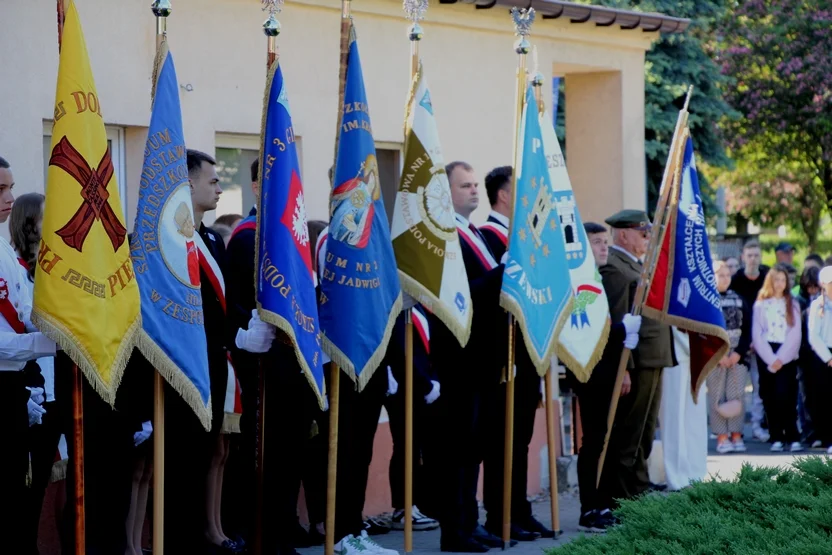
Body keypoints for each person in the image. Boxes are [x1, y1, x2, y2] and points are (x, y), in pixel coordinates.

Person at [225, 157, 317, 555]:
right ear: (258, 187)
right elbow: (235, 304)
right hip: (262, 364)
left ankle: (282, 527)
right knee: (267, 454)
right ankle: (263, 534)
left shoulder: (291, 236)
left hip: (293, 363)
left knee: (291, 452)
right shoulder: (248, 237)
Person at [434, 161, 506, 553]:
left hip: (481, 356)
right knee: (458, 448)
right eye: (465, 186)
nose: (475, 191)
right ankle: (454, 531)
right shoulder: (447, 237)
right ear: (446, 193)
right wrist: (502, 273)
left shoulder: (472, 231)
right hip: (457, 356)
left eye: (476, 184)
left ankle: (470, 521)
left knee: (474, 446)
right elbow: (460, 292)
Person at [478, 165, 552, 541]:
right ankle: (500, 514)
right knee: (501, 440)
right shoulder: (487, 238)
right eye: (519, 192)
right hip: (500, 356)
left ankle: (519, 509)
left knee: (520, 439)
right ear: (504, 196)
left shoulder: (523, 238)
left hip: (526, 352)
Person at [0, 159, 59, 554]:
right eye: (1, 189)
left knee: (17, 496)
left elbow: (22, 317)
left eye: (11, 187)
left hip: (14, 388)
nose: (10, 197)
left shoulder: (4, 254)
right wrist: (49, 344)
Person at [598, 209, 675, 508]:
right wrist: (625, 369)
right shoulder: (615, 268)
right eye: (642, 233)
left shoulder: (633, 264)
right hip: (638, 361)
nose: (647, 238)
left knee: (645, 428)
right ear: (623, 234)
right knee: (631, 429)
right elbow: (619, 320)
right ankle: (626, 491)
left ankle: (638, 483)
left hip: (653, 357)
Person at [568, 221, 641, 533]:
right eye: (597, 242)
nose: (604, 248)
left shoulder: (596, 278)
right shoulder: (579, 281)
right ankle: (589, 507)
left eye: (605, 242)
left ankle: (604, 503)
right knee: (595, 440)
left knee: (609, 439)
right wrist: (623, 330)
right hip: (591, 371)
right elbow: (586, 329)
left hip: (607, 368)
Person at [752, 263, 802, 453]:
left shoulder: (793, 303)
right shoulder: (761, 304)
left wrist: (781, 357)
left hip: (786, 354)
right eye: (776, 280)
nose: (780, 283)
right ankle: (776, 437)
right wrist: (770, 358)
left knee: (787, 396)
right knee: (770, 396)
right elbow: (757, 333)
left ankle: (792, 436)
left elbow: (795, 333)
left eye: (783, 280)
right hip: (767, 352)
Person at [707, 260, 750, 454]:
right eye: (720, 275)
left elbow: (747, 329)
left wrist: (738, 353)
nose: (725, 279)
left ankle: (736, 434)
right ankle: (721, 437)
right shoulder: (707, 300)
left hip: (737, 358)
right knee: (717, 396)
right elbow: (705, 331)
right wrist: (720, 355)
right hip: (715, 359)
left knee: (736, 395)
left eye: (727, 275)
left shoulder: (740, 299)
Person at [731, 240, 769, 442]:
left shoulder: (767, 278)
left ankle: (756, 426)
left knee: (759, 387)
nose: (753, 259)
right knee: (734, 389)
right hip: (738, 342)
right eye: (749, 255)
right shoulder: (735, 280)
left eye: (756, 255)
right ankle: (732, 430)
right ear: (743, 257)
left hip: (762, 341)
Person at [807, 267, 832, 454]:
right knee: (823, 398)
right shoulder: (817, 305)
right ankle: (826, 438)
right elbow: (813, 335)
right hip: (823, 357)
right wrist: (829, 357)